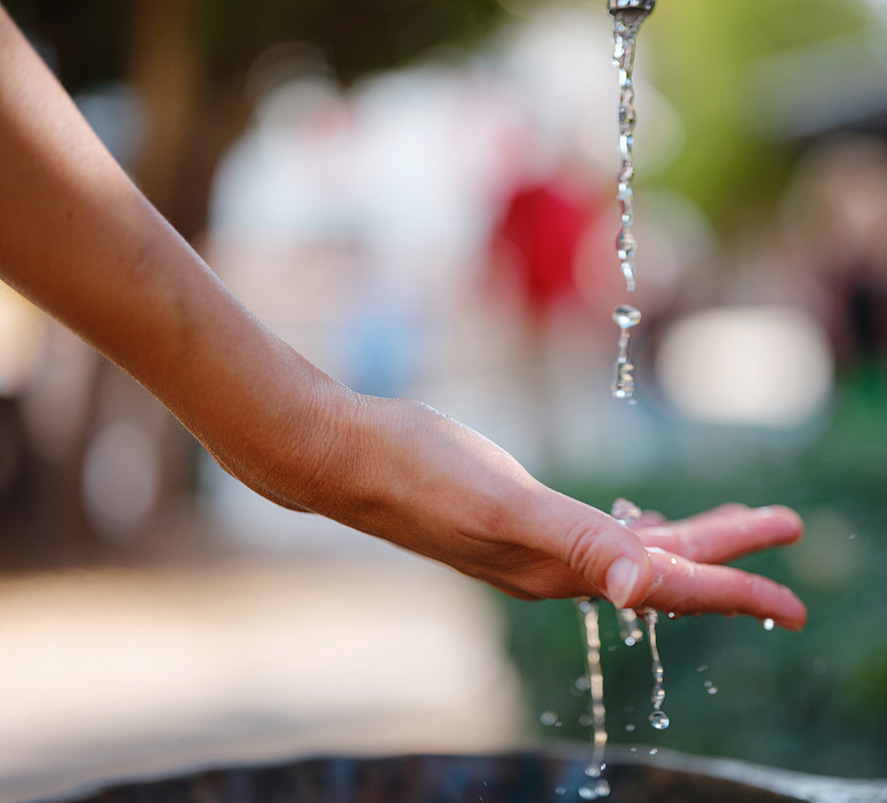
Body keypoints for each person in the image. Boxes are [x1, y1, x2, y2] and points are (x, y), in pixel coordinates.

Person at [0, 6, 806, 629]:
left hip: (555, 323)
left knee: (566, 421)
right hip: (536, 324)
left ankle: (573, 479)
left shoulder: (551, 188)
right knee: (551, 418)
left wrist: (327, 436)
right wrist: (332, 442)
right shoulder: (528, 188)